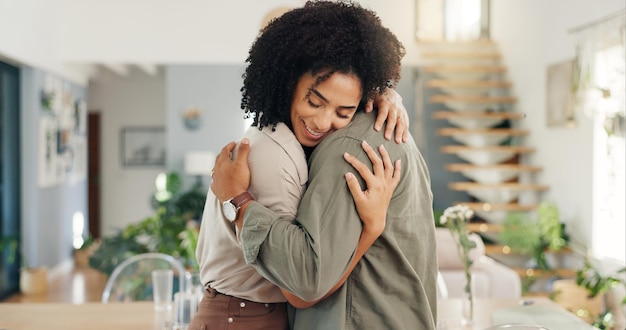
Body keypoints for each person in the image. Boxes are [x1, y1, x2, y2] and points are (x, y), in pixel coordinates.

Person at [209, 2, 438, 330]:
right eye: (314, 102)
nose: (322, 121)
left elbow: (305, 283)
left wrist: (237, 199)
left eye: (342, 112)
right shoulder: (375, 130)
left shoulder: (347, 146)